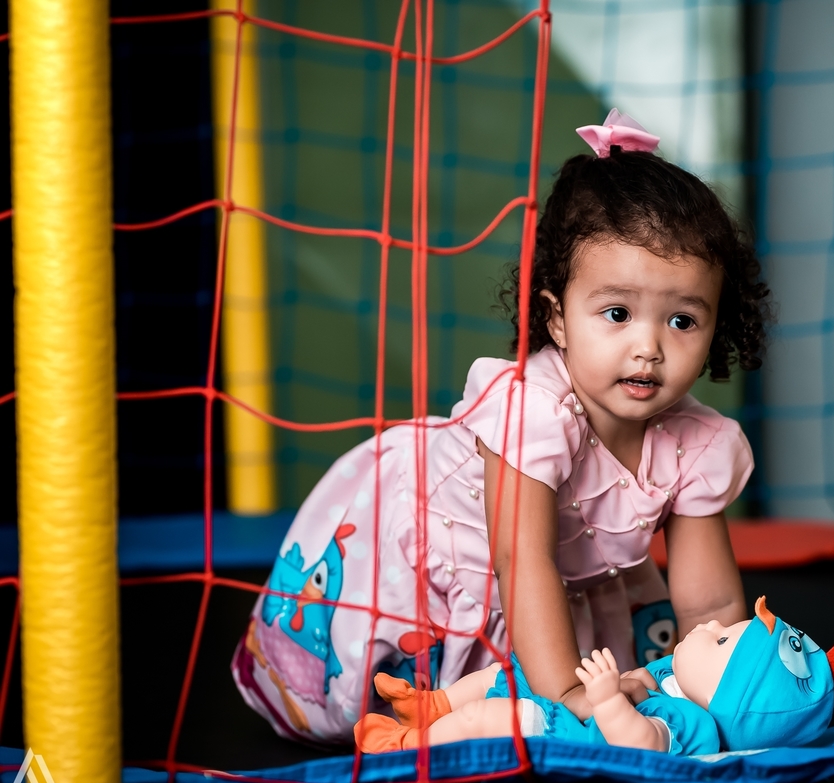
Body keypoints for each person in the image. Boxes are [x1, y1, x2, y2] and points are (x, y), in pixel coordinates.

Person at [232, 110, 772, 744]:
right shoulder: (535, 410)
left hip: (555, 584)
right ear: (559, 319)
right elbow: (521, 559)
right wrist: (568, 693)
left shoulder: (699, 444)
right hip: (443, 547)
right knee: (368, 720)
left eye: (682, 320)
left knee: (539, 730)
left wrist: (726, 696)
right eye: (618, 313)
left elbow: (710, 608)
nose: (648, 347)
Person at [353, 597, 834, 756]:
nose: (711, 625)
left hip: (563, 737)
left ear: (725, 697)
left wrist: (608, 699)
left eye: (720, 639)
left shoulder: (695, 725)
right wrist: (625, 685)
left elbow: (641, 743)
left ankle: (405, 745)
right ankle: (434, 703)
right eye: (725, 626)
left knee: (491, 715)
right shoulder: (677, 679)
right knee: (503, 670)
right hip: (572, 710)